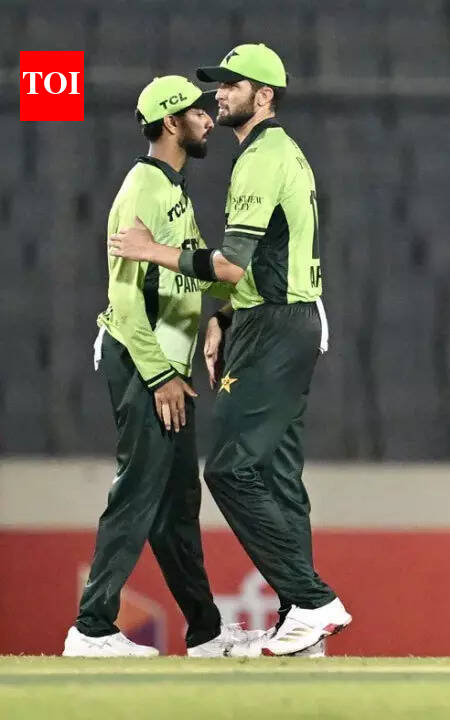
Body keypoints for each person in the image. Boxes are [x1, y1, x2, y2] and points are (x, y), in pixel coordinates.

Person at [108, 44, 347, 656]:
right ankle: (300, 621)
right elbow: (253, 268)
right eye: (218, 84)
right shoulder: (276, 152)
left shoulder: (260, 159)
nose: (219, 94)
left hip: (274, 324)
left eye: (232, 85)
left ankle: (313, 601)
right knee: (278, 475)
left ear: (264, 95)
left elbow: (233, 266)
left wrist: (151, 250)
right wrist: (223, 316)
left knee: (229, 470)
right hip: (285, 317)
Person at [66, 75, 259, 658]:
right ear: (172, 122)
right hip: (143, 364)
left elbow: (193, 269)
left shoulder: (170, 187)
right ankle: (91, 627)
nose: (209, 119)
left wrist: (224, 309)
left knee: (176, 504)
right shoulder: (142, 189)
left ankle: (205, 632)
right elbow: (124, 301)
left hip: (167, 367)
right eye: (198, 112)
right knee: (138, 489)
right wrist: (160, 376)